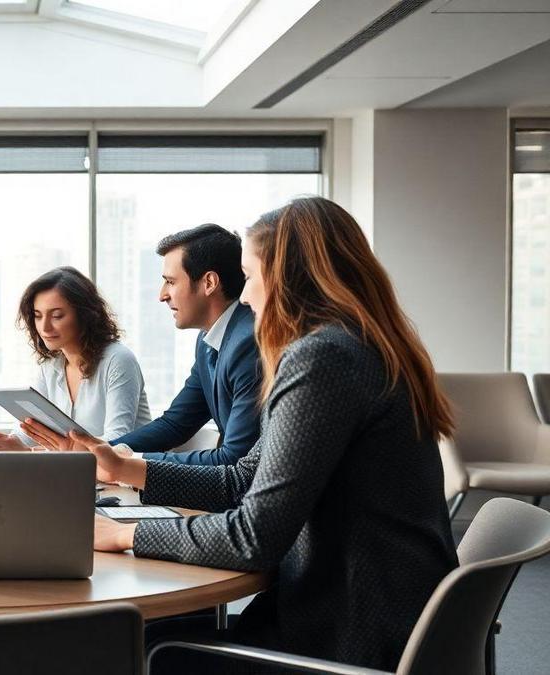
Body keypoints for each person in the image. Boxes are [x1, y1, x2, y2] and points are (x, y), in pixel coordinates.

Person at [82, 196, 457, 671]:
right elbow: (243, 479)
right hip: (386, 605)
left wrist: (126, 535)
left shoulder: (324, 359)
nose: (246, 296)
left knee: (144, 648)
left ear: (287, 279)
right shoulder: (362, 345)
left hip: (353, 626)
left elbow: (253, 538)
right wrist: (130, 469)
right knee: (154, 635)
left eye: (253, 276)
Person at [23, 224, 261, 466]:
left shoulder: (247, 344)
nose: (162, 295)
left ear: (209, 283)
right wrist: (100, 452)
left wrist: (128, 462)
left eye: (170, 281)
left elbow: (235, 458)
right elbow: (175, 424)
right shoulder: (208, 341)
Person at [0, 266, 151, 451]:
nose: (44, 327)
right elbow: (31, 427)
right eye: (38, 316)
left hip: (129, 475)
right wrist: (14, 443)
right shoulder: (51, 366)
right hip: (82, 473)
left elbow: (117, 441)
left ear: (84, 315)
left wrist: (35, 452)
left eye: (57, 316)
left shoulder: (118, 360)